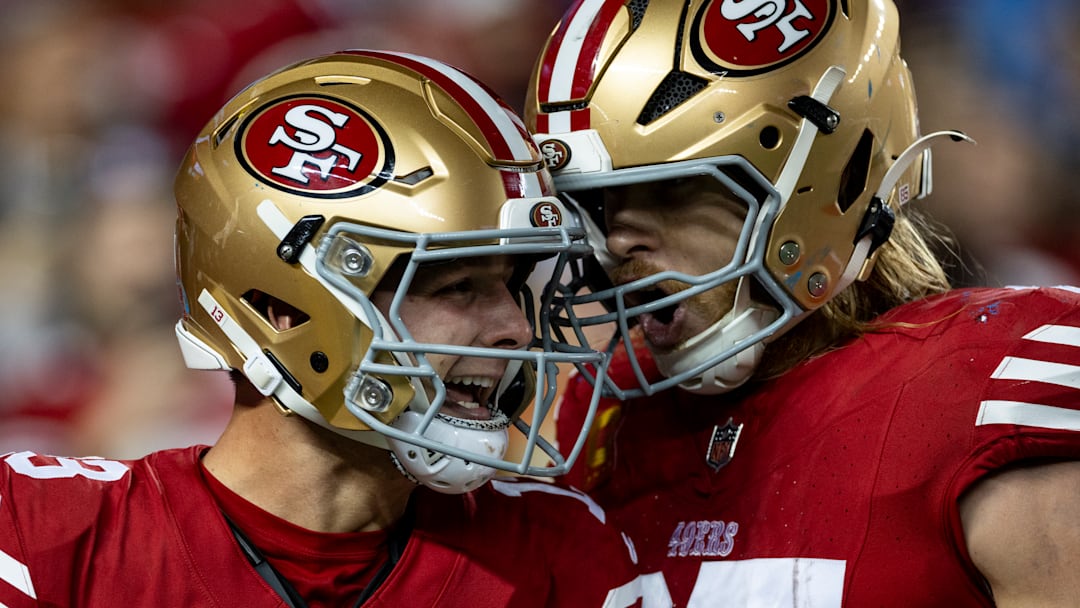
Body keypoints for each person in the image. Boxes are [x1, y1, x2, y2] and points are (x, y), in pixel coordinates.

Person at [0, 50, 641, 607]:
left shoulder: (563, 559)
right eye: (456, 286)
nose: (513, 328)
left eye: (510, 285)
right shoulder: (44, 540)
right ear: (282, 309)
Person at [524, 1, 1080, 606]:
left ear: (827, 173)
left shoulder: (998, 383)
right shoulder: (613, 412)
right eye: (597, 205)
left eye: (669, 186)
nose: (617, 240)